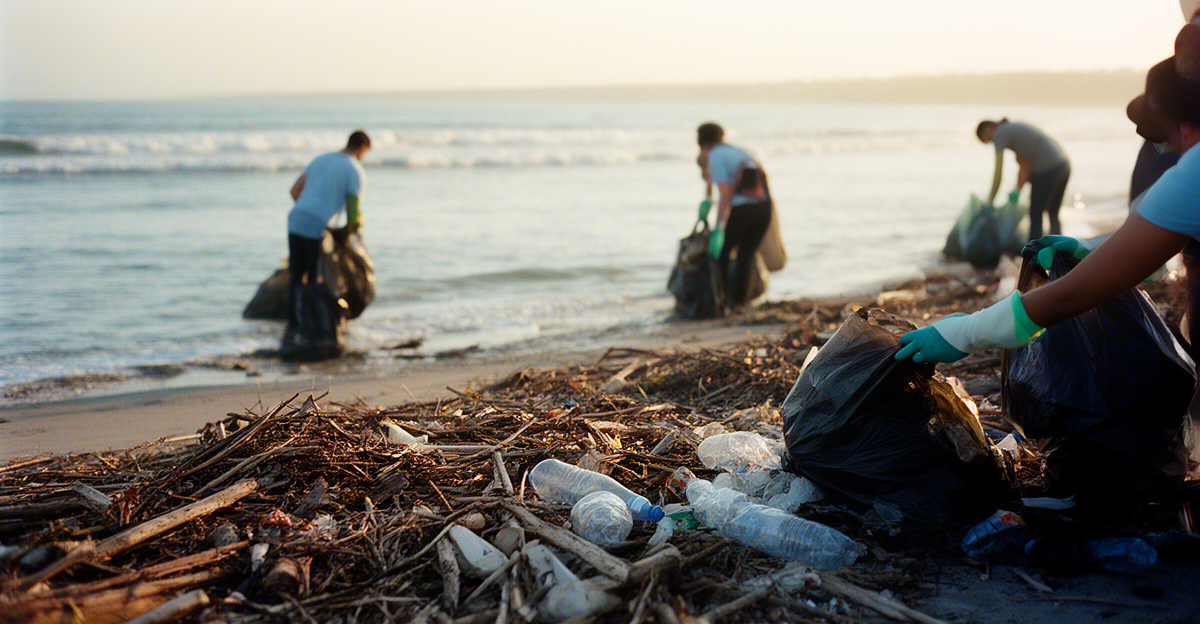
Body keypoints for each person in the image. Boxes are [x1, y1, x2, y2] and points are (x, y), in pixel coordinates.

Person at [896, 24, 1200, 365]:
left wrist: (965, 331)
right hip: (1060, 164)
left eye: (1165, 140)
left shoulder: (1194, 170)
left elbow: (1073, 295)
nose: (1165, 151)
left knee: (1041, 214)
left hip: (1050, 169)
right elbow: (1150, 251)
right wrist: (1087, 248)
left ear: (1188, 127)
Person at [284, 130, 371, 351]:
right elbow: (353, 215)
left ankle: (293, 325)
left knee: (296, 275)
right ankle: (317, 328)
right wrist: (352, 229)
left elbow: (294, 191)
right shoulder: (355, 170)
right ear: (363, 148)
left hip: (296, 218)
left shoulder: (321, 159)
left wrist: (309, 207)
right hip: (317, 226)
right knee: (317, 278)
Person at [696, 122, 772, 308]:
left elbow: (726, 194)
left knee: (721, 255)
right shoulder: (738, 152)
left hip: (742, 210)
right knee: (746, 255)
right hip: (764, 208)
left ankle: (722, 301)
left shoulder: (715, 155)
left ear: (701, 141)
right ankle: (740, 302)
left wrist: (719, 226)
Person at [976, 119, 1071, 240]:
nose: (989, 141)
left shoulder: (999, 133)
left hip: (1048, 169)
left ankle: (1034, 248)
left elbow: (998, 173)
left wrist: (990, 200)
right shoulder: (1013, 129)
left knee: (1035, 213)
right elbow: (1025, 166)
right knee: (1053, 212)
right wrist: (1017, 189)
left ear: (988, 127)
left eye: (985, 137)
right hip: (1064, 166)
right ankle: (1060, 246)